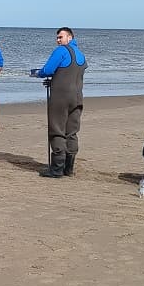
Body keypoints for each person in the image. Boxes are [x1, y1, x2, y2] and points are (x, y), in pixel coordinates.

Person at [34, 27, 87, 177]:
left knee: (57, 130)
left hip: (61, 98)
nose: (58, 40)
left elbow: (48, 69)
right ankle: (68, 168)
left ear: (69, 37)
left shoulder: (62, 51)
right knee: (71, 132)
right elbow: (73, 74)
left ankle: (56, 169)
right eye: (57, 38)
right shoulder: (81, 54)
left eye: (60, 37)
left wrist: (39, 73)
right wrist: (54, 81)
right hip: (77, 97)